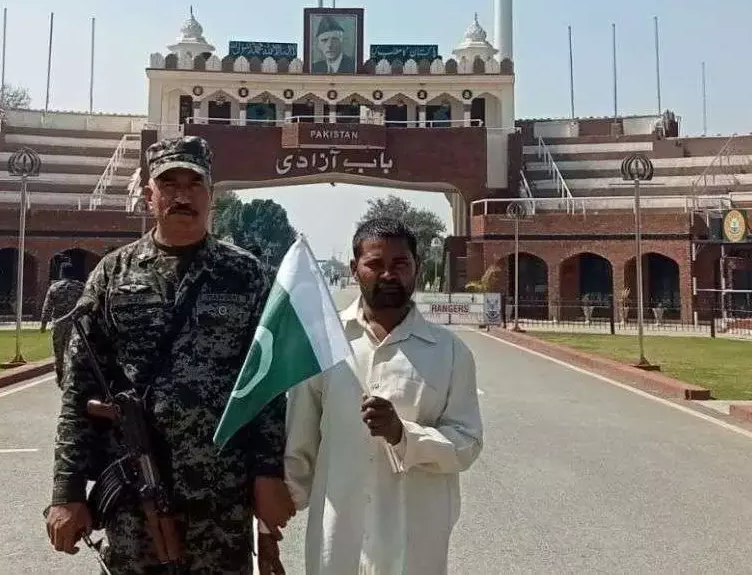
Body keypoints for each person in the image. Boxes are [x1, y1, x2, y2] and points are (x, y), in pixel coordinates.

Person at [45, 135, 296, 574]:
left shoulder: (247, 275)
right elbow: (78, 389)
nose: (183, 196)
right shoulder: (112, 275)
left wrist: (267, 472)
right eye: (169, 184)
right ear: (149, 195)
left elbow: (267, 389)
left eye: (194, 184)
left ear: (211, 194)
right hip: (133, 496)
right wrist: (66, 492)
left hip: (221, 495)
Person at [283, 218, 484, 574]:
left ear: (417, 267)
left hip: (413, 545)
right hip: (338, 540)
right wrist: (274, 520)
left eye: (400, 263)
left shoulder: (449, 352)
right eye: (375, 264)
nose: (388, 274)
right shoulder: (323, 343)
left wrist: (403, 435)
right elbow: (299, 442)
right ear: (354, 269)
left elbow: (466, 444)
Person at [41, 261, 87, 389]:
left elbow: (47, 307)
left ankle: (60, 375)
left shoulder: (54, 287)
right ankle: (73, 375)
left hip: (59, 322)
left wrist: (43, 323)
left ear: (62, 273)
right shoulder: (80, 287)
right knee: (74, 350)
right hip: (76, 324)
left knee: (58, 351)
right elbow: (85, 304)